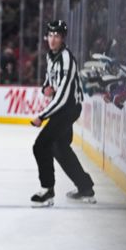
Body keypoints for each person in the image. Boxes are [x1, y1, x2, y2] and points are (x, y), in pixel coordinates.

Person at [30, 20, 95, 206]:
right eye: (50, 35)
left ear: (63, 38)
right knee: (60, 148)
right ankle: (85, 187)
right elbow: (49, 80)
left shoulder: (67, 59)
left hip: (68, 108)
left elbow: (64, 96)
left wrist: (42, 116)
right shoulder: (51, 56)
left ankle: (47, 190)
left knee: (41, 145)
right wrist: (45, 89)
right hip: (63, 108)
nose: (52, 39)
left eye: (57, 36)